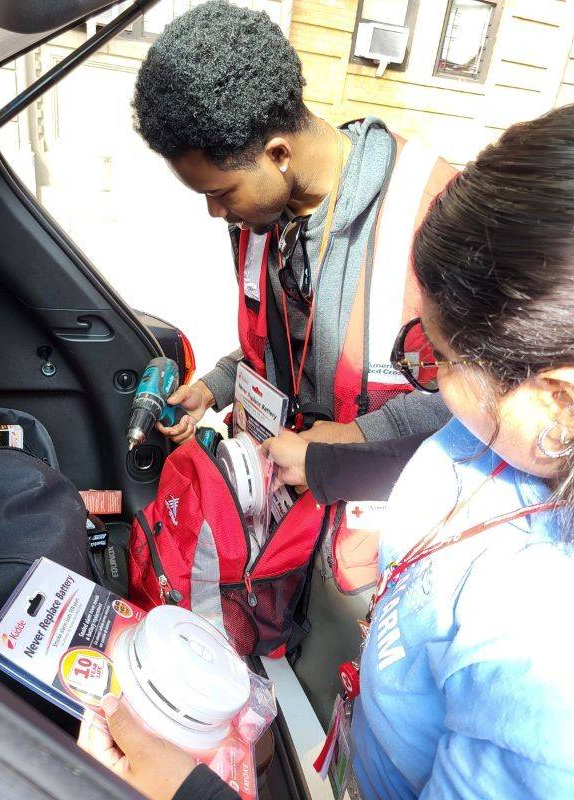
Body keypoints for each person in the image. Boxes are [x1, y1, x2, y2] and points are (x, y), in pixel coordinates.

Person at [81, 107, 574, 798]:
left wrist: (184, 790)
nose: (419, 368)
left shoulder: (540, 653)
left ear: (556, 399)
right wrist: (318, 461)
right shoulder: (509, 440)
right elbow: (449, 443)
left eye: (437, 359)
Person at [131, 0, 454, 449]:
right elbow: (280, 348)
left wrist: (338, 446)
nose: (215, 212)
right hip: (276, 494)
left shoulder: (437, 208)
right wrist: (214, 387)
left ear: (278, 154)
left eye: (220, 193)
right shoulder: (262, 217)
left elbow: (485, 392)